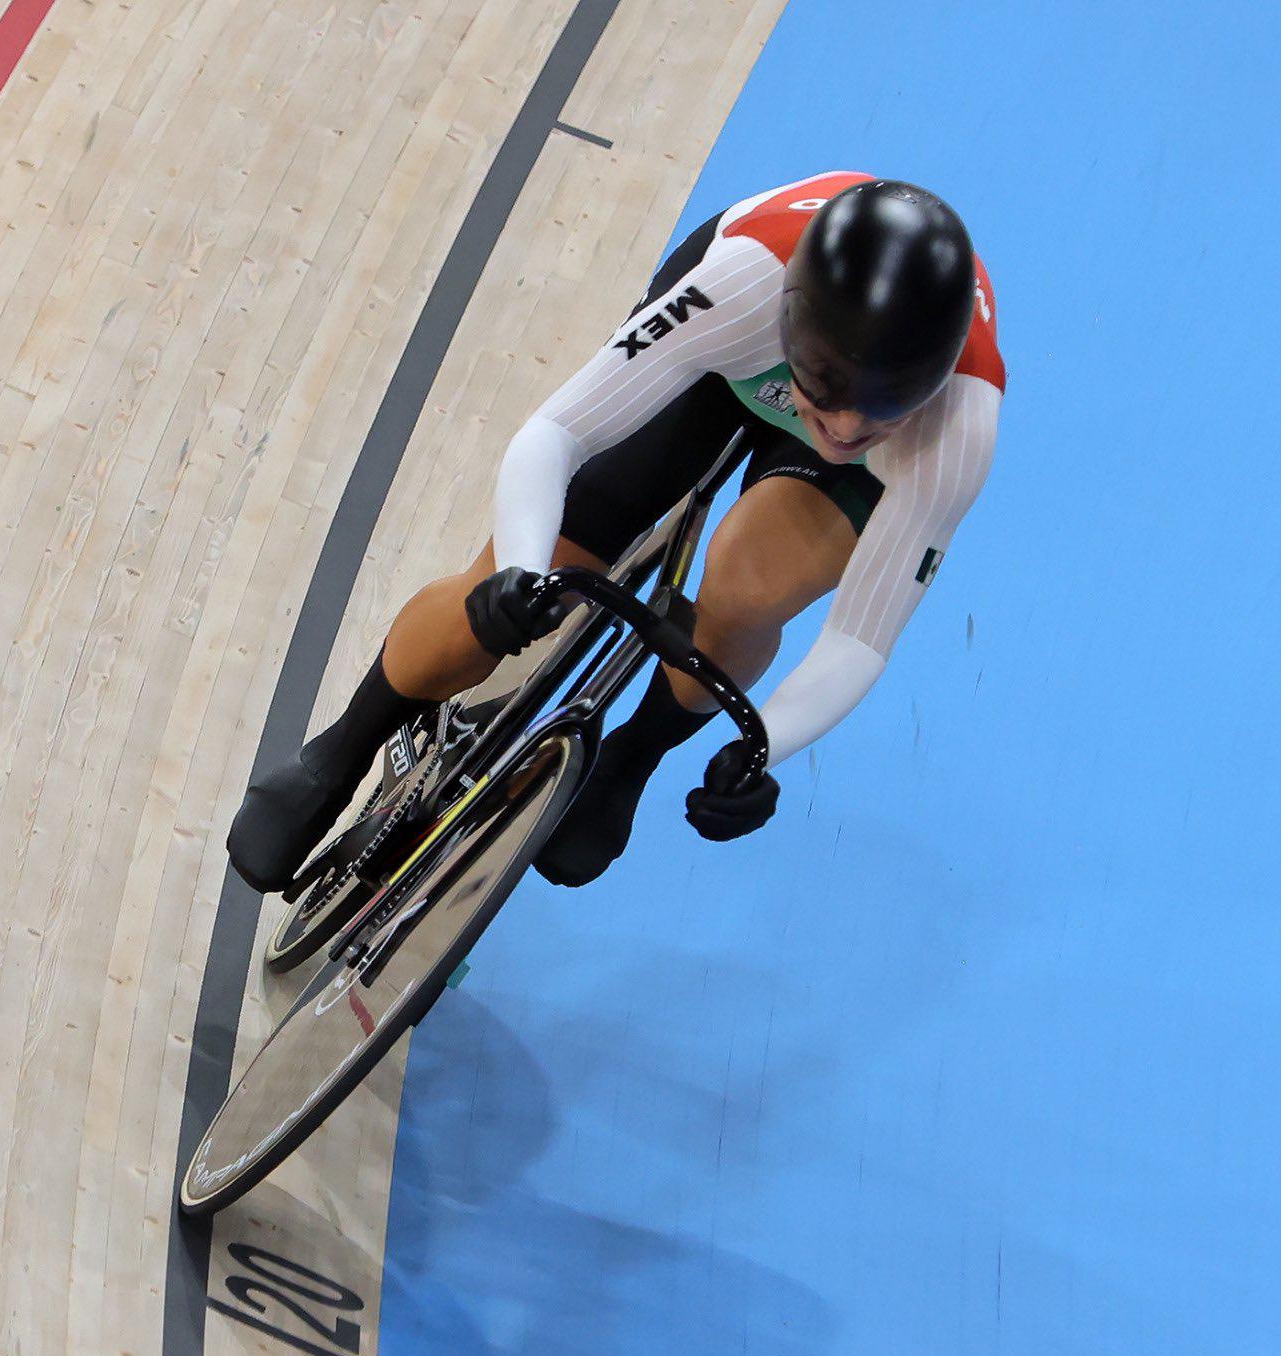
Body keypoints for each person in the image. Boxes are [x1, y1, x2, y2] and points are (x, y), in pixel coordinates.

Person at [228, 172, 1006, 894]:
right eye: (828, 388)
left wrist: (762, 744)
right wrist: (521, 575)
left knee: (747, 588)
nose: (844, 427)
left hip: (796, 382)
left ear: (931, 387)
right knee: (505, 593)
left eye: (884, 406)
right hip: (721, 361)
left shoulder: (959, 424)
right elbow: (555, 433)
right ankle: (339, 750)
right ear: (791, 324)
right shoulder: (738, 287)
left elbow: (857, 641)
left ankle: (631, 757)